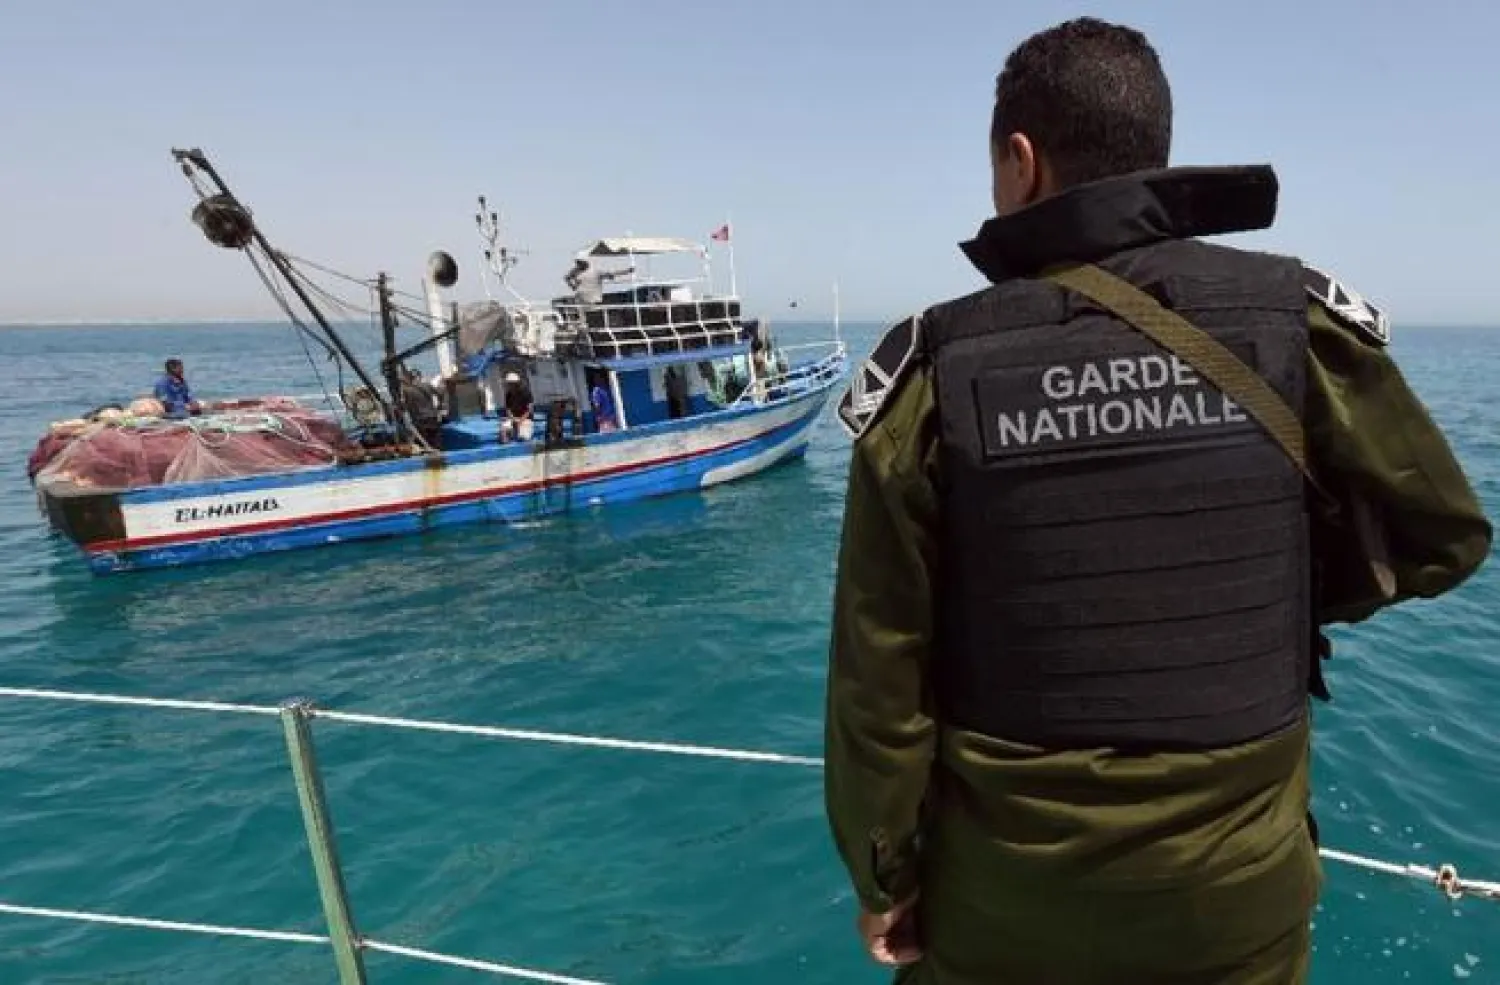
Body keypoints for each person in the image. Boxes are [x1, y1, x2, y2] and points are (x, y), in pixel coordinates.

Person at [823, 17, 1492, 985]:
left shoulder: (937, 365)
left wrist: (884, 871)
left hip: (1009, 902)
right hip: (1238, 894)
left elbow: (878, 678)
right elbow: (1443, 535)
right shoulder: (1294, 321)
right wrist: (1262, 590)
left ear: (1021, 161)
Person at [564, 258, 635, 305]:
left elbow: (611, 274)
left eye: (580, 262)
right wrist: (573, 286)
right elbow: (567, 278)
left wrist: (627, 271)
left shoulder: (596, 271)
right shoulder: (575, 271)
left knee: (591, 315)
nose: (578, 265)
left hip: (593, 300)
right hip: (580, 299)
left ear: (585, 262)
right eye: (577, 263)